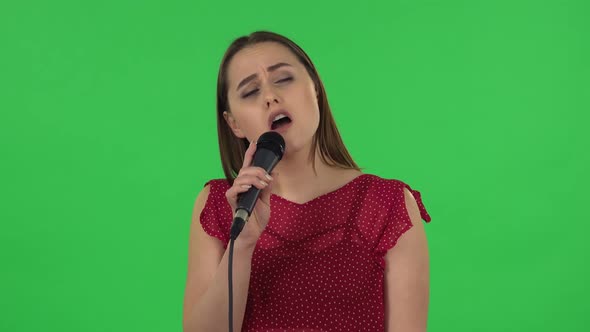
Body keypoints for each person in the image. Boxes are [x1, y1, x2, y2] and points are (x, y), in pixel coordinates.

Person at [183, 31, 432, 332]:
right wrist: (243, 243)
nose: (270, 96)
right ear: (233, 123)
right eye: (250, 92)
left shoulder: (387, 204)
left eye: (284, 79)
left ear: (314, 87)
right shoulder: (220, 207)